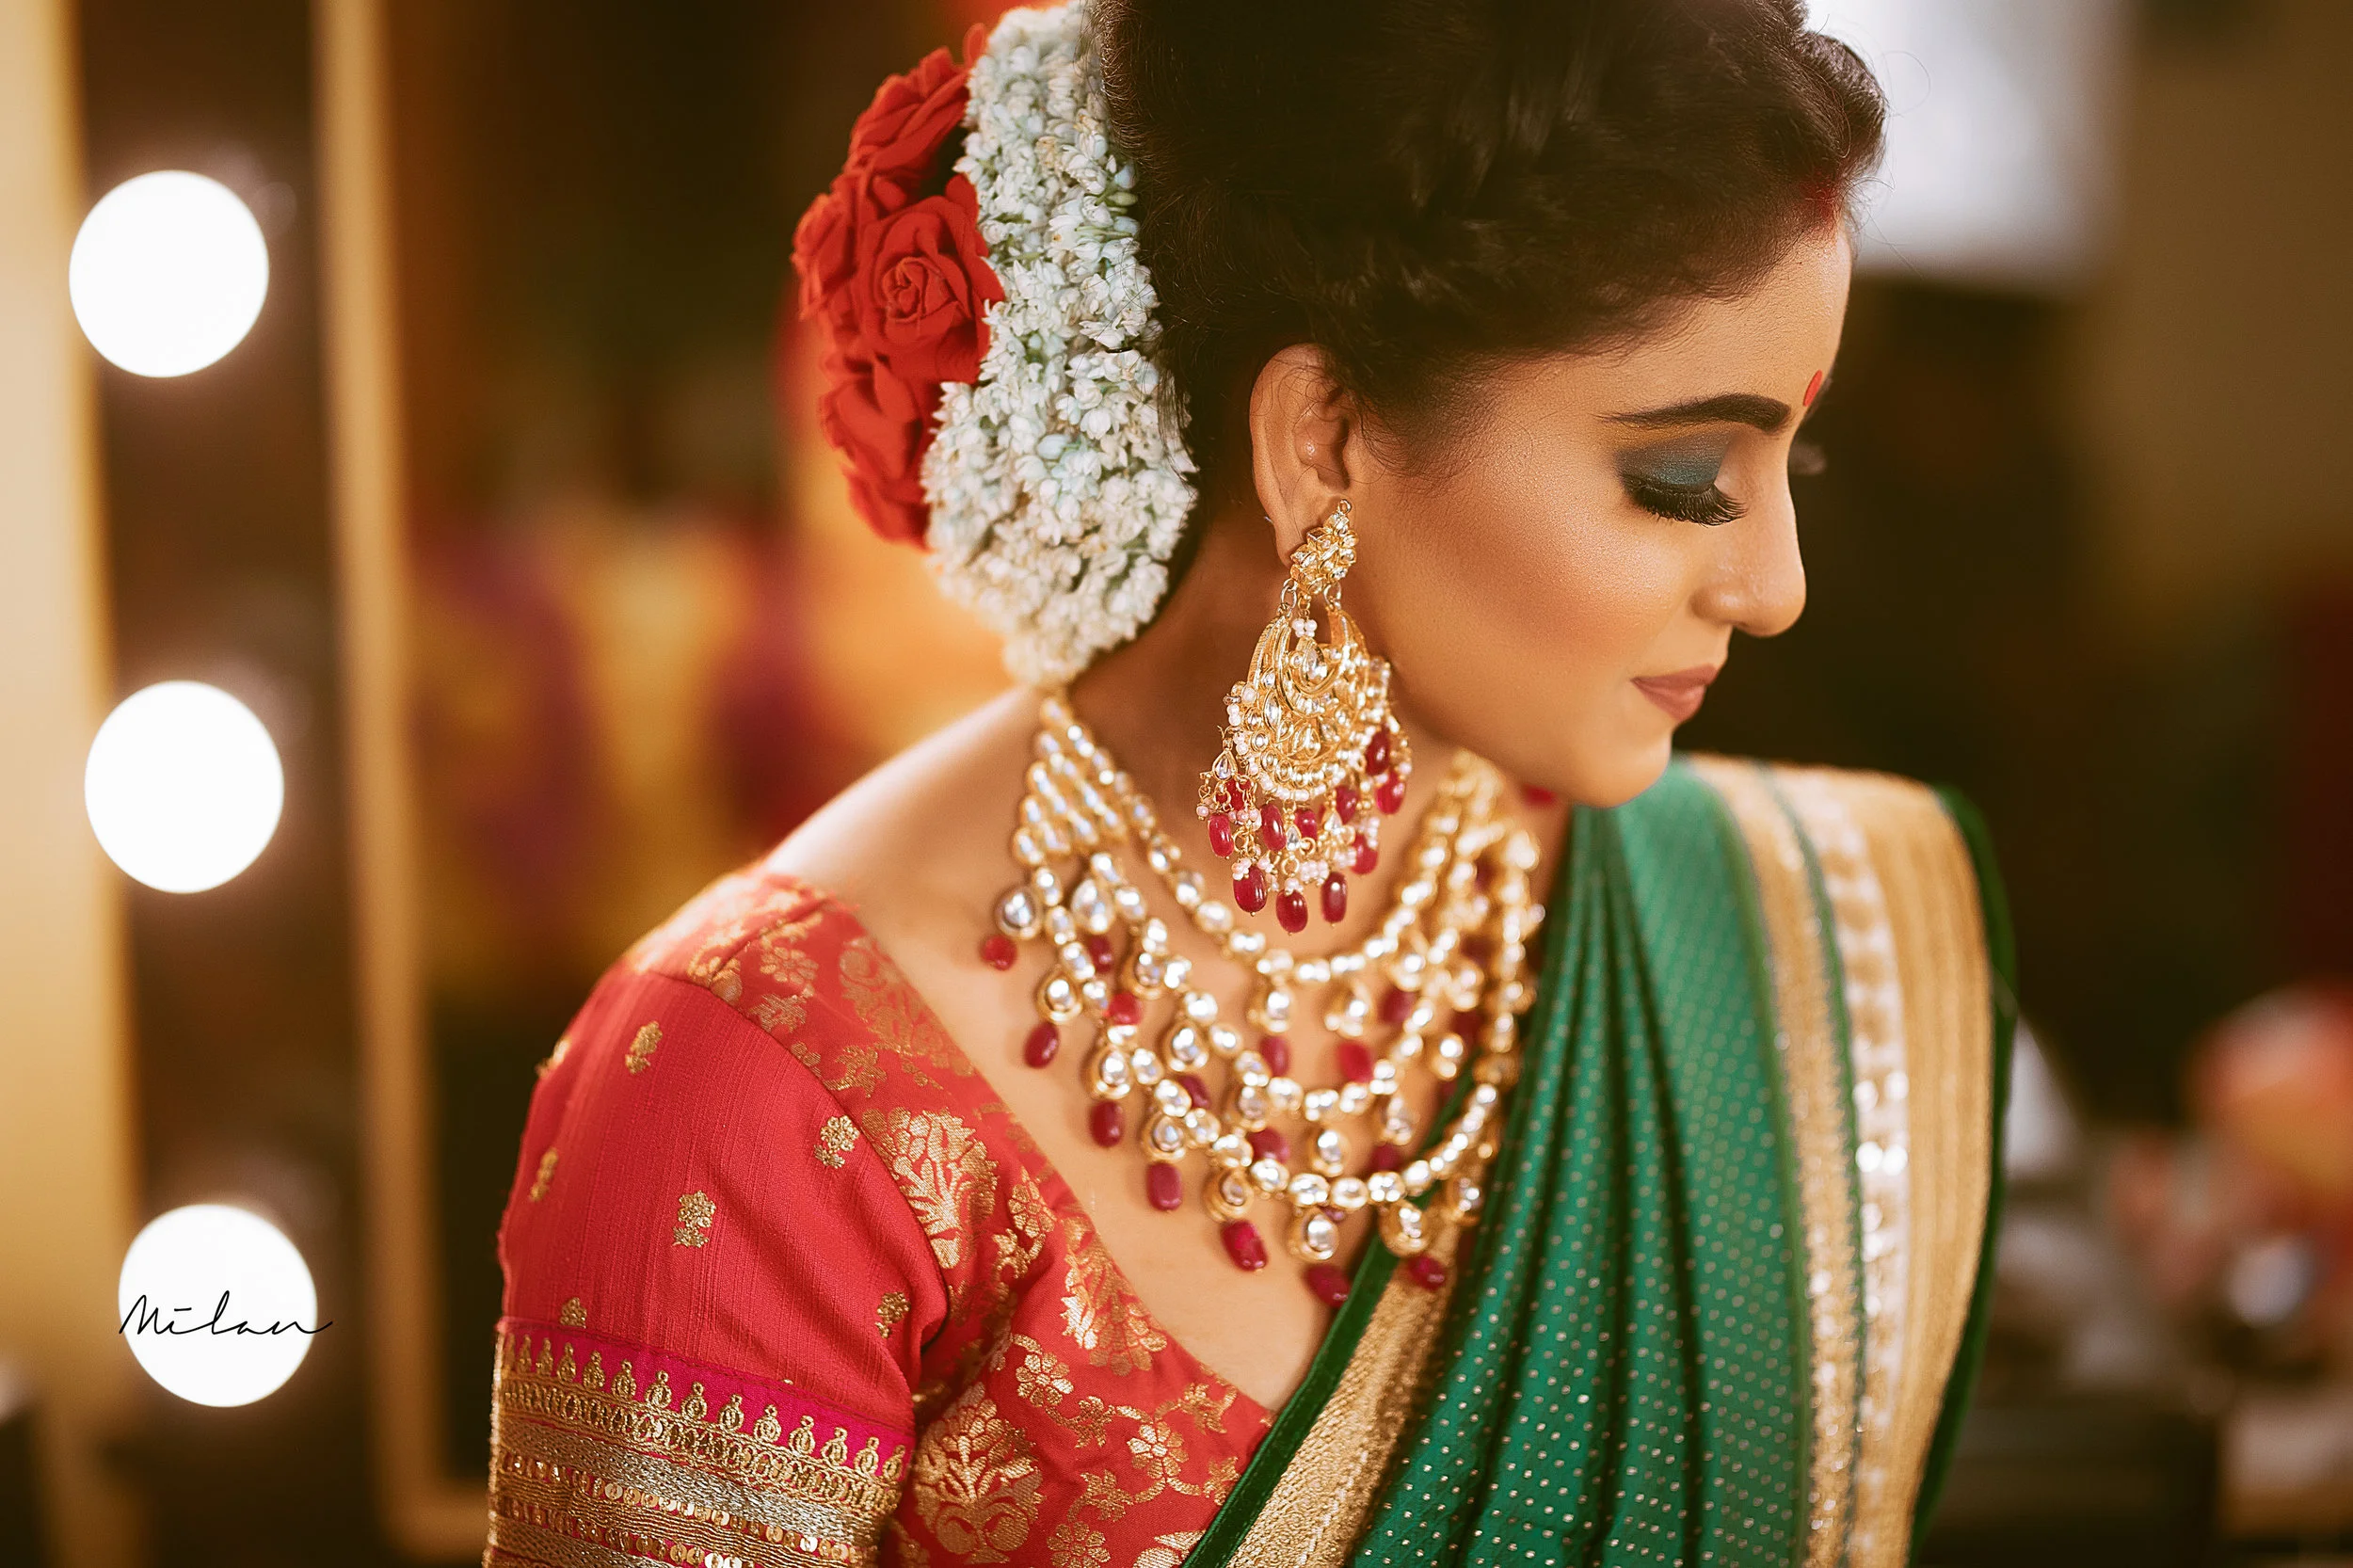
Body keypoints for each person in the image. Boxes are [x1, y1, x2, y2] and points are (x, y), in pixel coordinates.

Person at [479, 1, 2013, 1563]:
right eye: (1684, 480)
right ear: (1323, 441)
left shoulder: (1791, 943)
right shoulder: (766, 1086)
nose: (1776, 587)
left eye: (1794, 463)